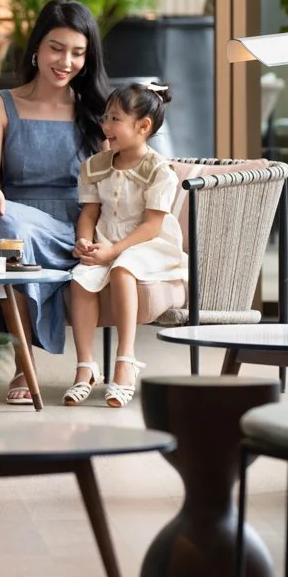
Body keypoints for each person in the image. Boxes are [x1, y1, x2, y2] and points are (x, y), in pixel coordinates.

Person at [0, 0, 109, 405]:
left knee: (5, 232)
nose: (66, 61)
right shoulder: (0, 104)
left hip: (72, 230)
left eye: (78, 53)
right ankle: (21, 365)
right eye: (56, 48)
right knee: (5, 226)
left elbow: (122, 177)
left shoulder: (97, 112)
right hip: (12, 220)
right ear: (37, 48)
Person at [63, 82, 189, 408]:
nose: (106, 126)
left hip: (149, 242)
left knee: (122, 270)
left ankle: (126, 360)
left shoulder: (160, 171)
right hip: (107, 239)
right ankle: (86, 365)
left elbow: (151, 225)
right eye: (105, 117)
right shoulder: (96, 165)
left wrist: (114, 252)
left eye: (115, 119)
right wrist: (85, 240)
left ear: (143, 126)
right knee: (80, 279)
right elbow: (90, 213)